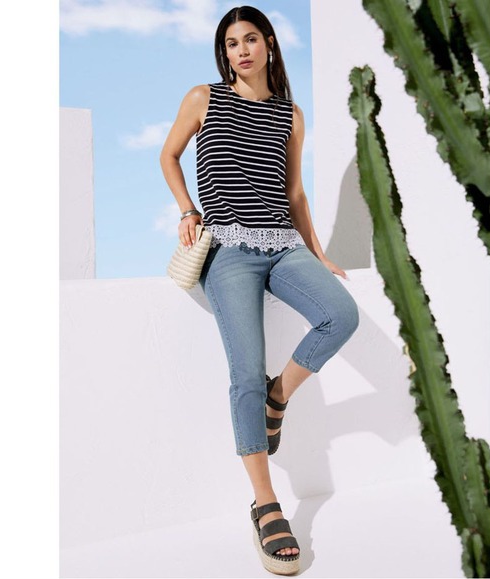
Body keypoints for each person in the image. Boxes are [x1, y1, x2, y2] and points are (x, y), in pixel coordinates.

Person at [160, 5, 359, 575]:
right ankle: (266, 503)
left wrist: (317, 253)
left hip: (284, 245)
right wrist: (187, 209)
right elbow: (169, 155)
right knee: (244, 373)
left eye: (250, 39)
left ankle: (279, 397)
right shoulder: (204, 98)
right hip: (228, 250)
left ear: (269, 43)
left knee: (339, 314)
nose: (241, 50)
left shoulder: (290, 115)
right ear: (223, 53)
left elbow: (294, 194)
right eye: (231, 43)